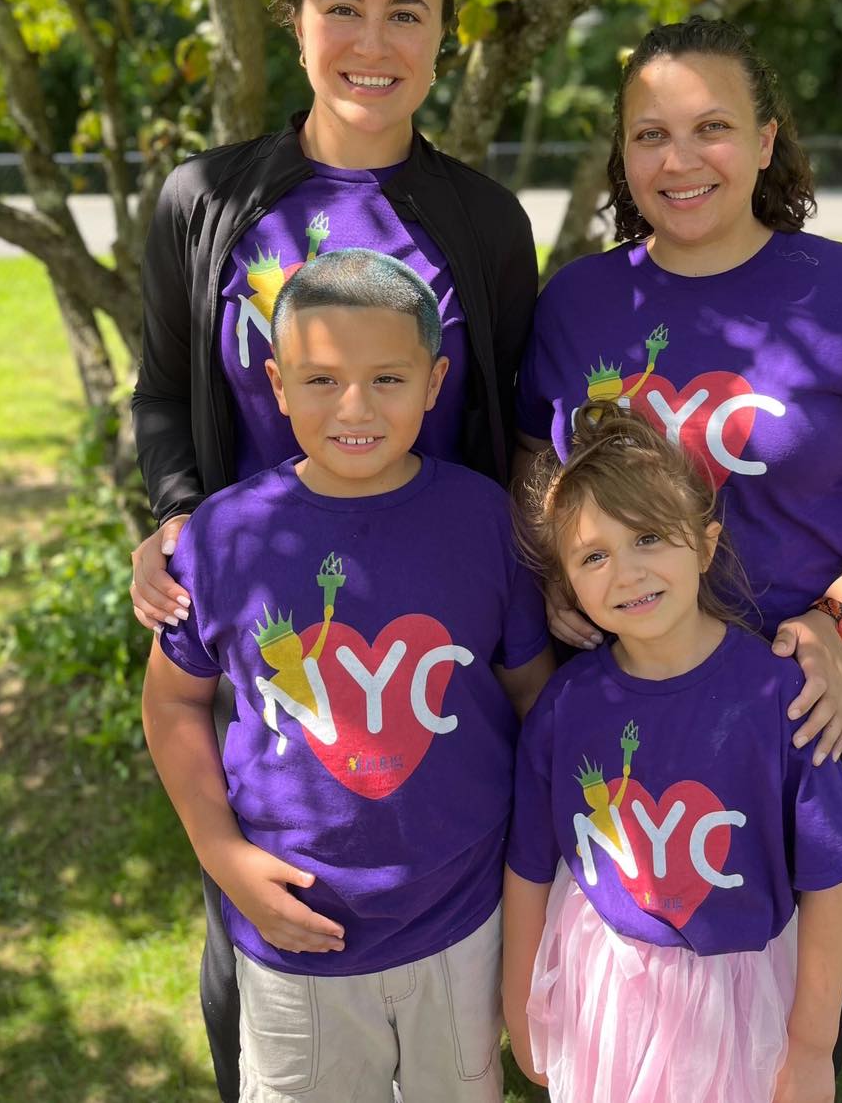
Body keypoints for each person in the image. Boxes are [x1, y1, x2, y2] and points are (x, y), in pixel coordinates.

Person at [512, 17, 842, 1070]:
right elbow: (543, 474)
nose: (680, 159)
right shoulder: (578, 304)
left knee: (794, 1018)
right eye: (651, 134)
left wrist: (840, 619)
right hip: (637, 719)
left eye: (712, 127)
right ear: (622, 154)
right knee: (644, 989)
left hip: (825, 716)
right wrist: (557, 575)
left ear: (767, 140)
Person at [129, 0, 538, 1097]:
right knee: (263, 981)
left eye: (407, 12)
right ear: (294, 18)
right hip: (270, 645)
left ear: (445, 34)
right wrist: (173, 517)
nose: (374, 40)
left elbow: (506, 431)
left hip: (427, 643)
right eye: (342, 6)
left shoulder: (482, 223)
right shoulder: (205, 203)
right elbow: (164, 396)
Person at [143, 248, 552, 1103]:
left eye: (388, 379)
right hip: (294, 936)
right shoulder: (223, 536)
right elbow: (175, 700)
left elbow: (532, 698)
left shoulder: (484, 520)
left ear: (436, 382)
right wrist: (222, 855)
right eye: (322, 380)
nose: (355, 407)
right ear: (276, 385)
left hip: (463, 922)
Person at [503, 406, 842, 1102]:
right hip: (606, 989)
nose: (626, 572)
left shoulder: (779, 696)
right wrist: (521, 1007)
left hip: (736, 999)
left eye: (648, 537)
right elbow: (528, 867)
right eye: (593, 556)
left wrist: (811, 1044)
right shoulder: (565, 706)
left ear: (705, 546)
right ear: (566, 581)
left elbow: (830, 879)